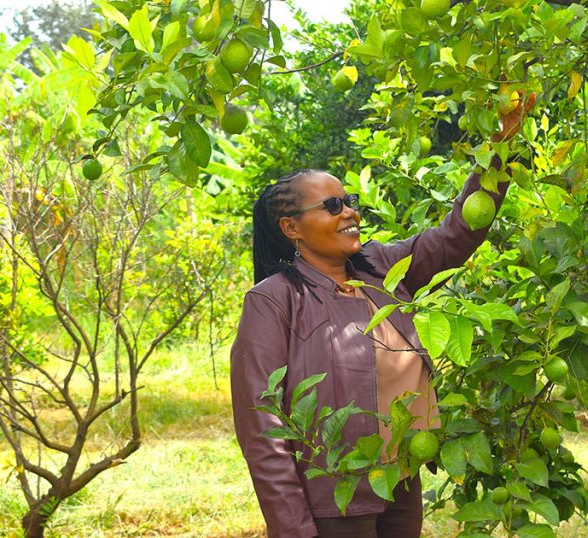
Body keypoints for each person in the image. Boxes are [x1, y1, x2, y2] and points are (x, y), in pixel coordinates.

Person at [230, 91, 537, 538]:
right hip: (336, 494)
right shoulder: (274, 300)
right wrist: (294, 529)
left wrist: (500, 144)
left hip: (400, 480)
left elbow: (459, 232)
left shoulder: (380, 268)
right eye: (332, 206)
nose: (350, 212)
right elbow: (263, 428)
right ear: (291, 228)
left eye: (349, 200)